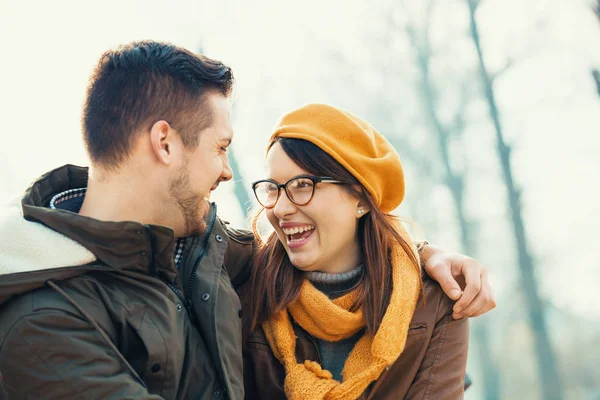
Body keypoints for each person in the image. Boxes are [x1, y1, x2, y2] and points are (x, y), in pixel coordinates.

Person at [0, 41, 493, 399]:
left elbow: (343, 240)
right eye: (220, 148)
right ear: (165, 143)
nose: (226, 171)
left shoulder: (200, 251)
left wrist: (424, 253)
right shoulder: (43, 324)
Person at [241, 104, 475, 399]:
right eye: (273, 188)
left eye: (303, 185)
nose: (281, 208)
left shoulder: (434, 302)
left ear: (361, 199)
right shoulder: (247, 294)